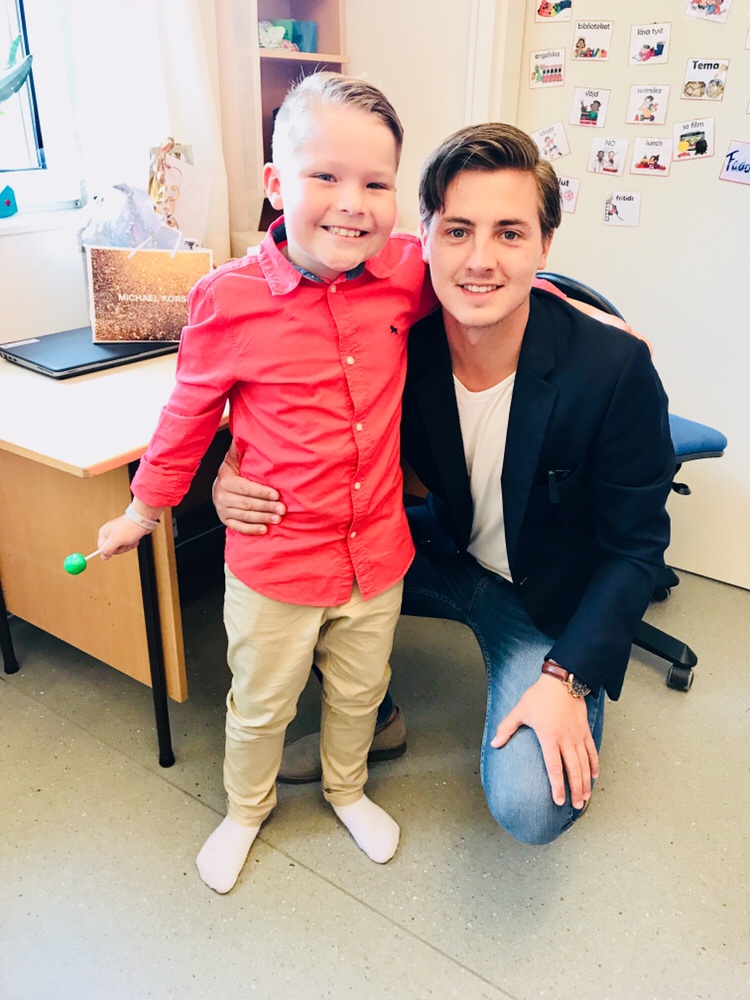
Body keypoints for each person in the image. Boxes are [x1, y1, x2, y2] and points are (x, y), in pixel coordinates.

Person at [214, 122, 674, 845]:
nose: (480, 260)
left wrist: (567, 678)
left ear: (544, 247)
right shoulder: (401, 340)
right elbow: (304, 413)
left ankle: (542, 683)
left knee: (531, 807)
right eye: (458, 231)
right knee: (296, 558)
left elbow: (636, 551)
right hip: (440, 550)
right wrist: (229, 471)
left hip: (544, 598)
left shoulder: (611, 370)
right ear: (423, 237)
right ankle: (377, 721)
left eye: (510, 233)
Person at [95, 72, 439, 894]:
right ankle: (246, 809)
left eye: (377, 183)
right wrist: (145, 508)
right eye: (326, 176)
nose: (352, 203)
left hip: (375, 551)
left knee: (359, 693)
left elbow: (485, 281)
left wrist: (587, 315)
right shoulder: (228, 297)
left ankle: (347, 789)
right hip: (275, 559)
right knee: (261, 702)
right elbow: (188, 412)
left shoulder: (406, 270)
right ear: (277, 184)